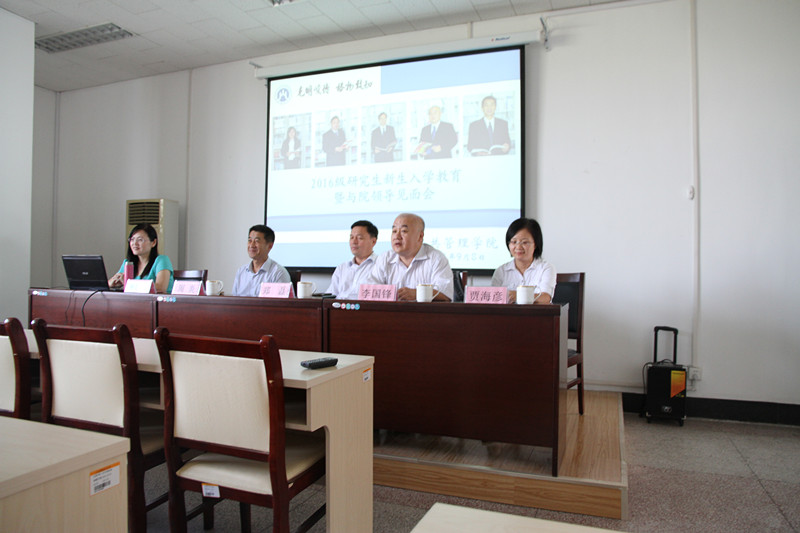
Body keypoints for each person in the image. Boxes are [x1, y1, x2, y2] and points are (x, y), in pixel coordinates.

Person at [365, 213, 453, 301]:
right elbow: (368, 292)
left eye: (404, 231)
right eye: (394, 231)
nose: (397, 236)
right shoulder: (385, 258)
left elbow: (445, 295)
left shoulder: (436, 259)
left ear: (420, 236)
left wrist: (418, 293)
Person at [491, 217, 555, 303]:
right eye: (514, 242)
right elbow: (493, 299)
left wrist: (518, 295)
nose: (518, 247)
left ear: (535, 244)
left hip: (536, 312)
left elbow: (546, 297)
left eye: (524, 242)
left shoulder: (545, 269)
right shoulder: (501, 271)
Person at [108, 223, 174, 293]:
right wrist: (111, 283)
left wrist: (129, 284)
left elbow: (160, 288)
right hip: (134, 299)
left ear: (153, 242)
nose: (134, 243)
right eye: (132, 239)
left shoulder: (162, 260)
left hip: (158, 300)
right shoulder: (128, 263)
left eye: (140, 240)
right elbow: (110, 282)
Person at [231, 224, 291, 297]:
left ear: (270, 246)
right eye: (250, 240)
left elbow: (281, 303)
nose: (251, 245)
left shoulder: (278, 273)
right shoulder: (241, 272)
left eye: (257, 241)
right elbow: (234, 300)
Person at [326, 220, 378, 299]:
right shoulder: (342, 268)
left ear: (373, 241)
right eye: (351, 237)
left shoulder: (380, 266)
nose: (354, 242)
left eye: (359, 238)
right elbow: (330, 296)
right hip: (339, 306)